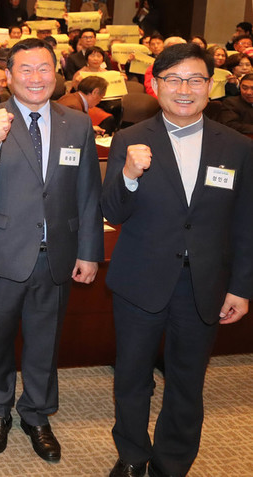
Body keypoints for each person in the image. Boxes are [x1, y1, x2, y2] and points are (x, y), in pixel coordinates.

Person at [101, 43, 253, 477]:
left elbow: (245, 223)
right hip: (140, 281)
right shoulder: (130, 138)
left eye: (195, 80)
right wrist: (128, 175)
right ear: (154, 84)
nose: (184, 89)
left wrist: (242, 286)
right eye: (173, 79)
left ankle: (172, 464)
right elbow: (111, 211)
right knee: (133, 377)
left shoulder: (238, 146)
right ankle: (132, 455)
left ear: (211, 85)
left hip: (203, 284)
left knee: (187, 383)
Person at [0, 38, 104, 463]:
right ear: (7, 75)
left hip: (56, 251)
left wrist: (88, 251)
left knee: (45, 341)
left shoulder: (76, 123)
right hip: (3, 251)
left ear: (57, 71)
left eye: (44, 68)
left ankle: (37, 414)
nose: (36, 78)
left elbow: (87, 193)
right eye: (25, 69)